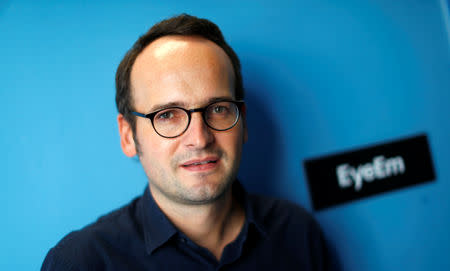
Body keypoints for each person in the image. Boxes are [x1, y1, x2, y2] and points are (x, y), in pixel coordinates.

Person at [42, 14, 331, 270]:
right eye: (167, 115)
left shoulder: (297, 232)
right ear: (128, 135)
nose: (199, 138)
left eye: (218, 109)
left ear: (242, 121)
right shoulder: (82, 263)